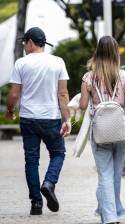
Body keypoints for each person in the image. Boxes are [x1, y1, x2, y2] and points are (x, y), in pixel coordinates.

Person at [6, 27, 71, 215]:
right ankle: (49, 183)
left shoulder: (21, 63)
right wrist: (66, 119)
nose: (24, 46)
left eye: (25, 42)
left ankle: (36, 203)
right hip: (50, 117)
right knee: (58, 153)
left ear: (31, 42)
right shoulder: (58, 62)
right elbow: (63, 93)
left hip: (28, 118)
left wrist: (10, 110)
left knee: (31, 161)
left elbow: (14, 93)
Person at [79, 36, 125, 224]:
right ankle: (114, 211)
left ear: (97, 52)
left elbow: (83, 105)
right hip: (120, 131)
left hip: (100, 132)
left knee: (105, 174)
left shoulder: (89, 77)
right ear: (116, 53)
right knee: (116, 173)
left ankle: (109, 216)